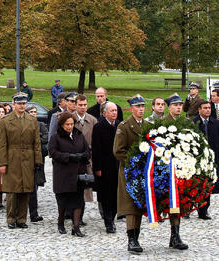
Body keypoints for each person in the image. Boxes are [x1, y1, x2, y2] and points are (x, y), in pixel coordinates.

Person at [113, 94, 188, 253]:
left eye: (142, 107)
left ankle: (174, 235)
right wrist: (136, 162)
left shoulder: (148, 125)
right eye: (137, 107)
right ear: (131, 108)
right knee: (131, 206)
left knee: (142, 204)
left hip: (147, 172)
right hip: (130, 172)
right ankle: (132, 240)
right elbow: (118, 151)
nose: (140, 109)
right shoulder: (124, 126)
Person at [0, 92, 42, 229]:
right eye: (19, 103)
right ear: (13, 104)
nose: (22, 106)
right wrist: (2, 163)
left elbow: (37, 143)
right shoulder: (5, 121)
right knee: (12, 190)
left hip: (28, 159)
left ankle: (22, 219)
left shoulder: (32, 120)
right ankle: (11, 218)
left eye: (24, 103)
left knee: (25, 189)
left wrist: (38, 161)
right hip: (12, 158)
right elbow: (2, 144)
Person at [48, 112, 89, 237]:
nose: (70, 127)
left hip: (77, 173)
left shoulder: (79, 135)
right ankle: (61, 223)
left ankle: (75, 227)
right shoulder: (56, 137)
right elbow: (53, 152)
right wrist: (68, 156)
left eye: (71, 124)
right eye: (67, 124)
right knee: (63, 201)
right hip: (63, 174)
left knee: (78, 201)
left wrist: (82, 156)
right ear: (62, 124)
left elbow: (87, 150)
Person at [92, 102, 119, 233]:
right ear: (105, 113)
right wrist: (97, 168)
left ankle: (112, 217)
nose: (114, 113)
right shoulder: (99, 127)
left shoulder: (119, 126)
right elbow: (96, 149)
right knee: (105, 196)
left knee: (115, 196)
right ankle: (108, 222)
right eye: (112, 111)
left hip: (117, 166)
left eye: (115, 110)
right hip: (104, 167)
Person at [73, 94, 97, 225]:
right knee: (72, 188)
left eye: (85, 105)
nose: (83, 107)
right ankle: (71, 215)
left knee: (85, 188)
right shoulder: (69, 119)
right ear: (75, 105)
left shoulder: (92, 120)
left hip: (87, 159)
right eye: (80, 105)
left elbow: (97, 140)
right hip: (72, 159)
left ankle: (79, 217)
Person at [193, 101, 219, 219]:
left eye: (209, 108)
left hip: (212, 158)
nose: (208, 110)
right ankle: (190, 207)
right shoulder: (193, 123)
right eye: (205, 108)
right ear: (199, 109)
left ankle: (204, 209)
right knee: (195, 184)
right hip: (197, 159)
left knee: (207, 184)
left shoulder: (215, 123)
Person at [26, 105, 49, 222]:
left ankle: (34, 213)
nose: (34, 114)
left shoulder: (41, 125)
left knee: (35, 186)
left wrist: (36, 139)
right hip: (25, 159)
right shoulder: (25, 125)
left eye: (35, 112)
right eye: (31, 112)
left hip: (38, 159)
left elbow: (45, 138)